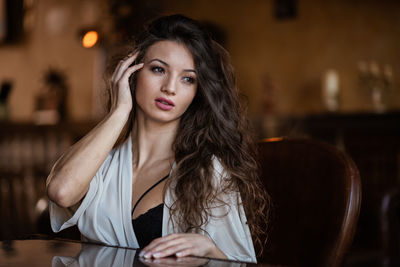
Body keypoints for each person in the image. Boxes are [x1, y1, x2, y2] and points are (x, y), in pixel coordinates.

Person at [46, 14, 270, 263]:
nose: (170, 87)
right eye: (158, 69)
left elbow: (241, 262)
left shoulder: (207, 170)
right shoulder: (101, 163)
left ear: (197, 92)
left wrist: (208, 248)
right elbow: (60, 191)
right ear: (132, 73)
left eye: (188, 79)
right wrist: (119, 112)